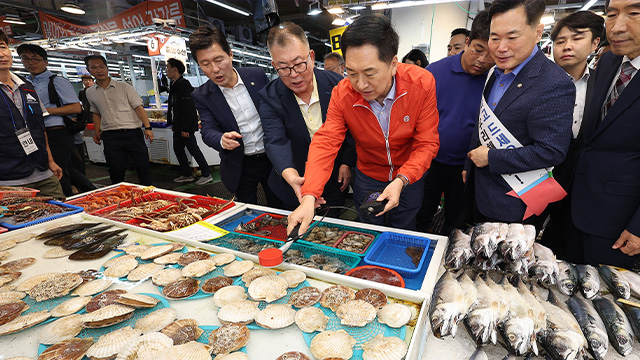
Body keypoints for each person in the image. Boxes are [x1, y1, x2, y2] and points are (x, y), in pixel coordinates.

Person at [287, 14, 440, 233]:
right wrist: (310, 195)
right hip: (368, 175)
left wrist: (401, 180)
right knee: (368, 230)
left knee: (404, 226)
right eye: (351, 73)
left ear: (393, 64)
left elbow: (427, 143)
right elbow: (326, 141)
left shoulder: (422, 83)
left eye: (370, 73)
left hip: (410, 174)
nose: (361, 84)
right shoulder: (343, 93)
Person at [464, 0, 575, 224]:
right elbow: (482, 124)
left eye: (512, 37)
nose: (501, 47)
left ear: (537, 32)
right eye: (494, 38)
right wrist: (469, 167)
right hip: (478, 190)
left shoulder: (554, 83)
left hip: (513, 203)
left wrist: (492, 158)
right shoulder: (496, 72)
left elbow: (551, 151)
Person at [259, 22, 356, 216]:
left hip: (333, 178)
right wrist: (291, 177)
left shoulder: (338, 85)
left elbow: (351, 128)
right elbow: (275, 140)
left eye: (299, 64)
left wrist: (347, 162)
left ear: (311, 57)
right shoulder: (269, 96)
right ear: (274, 65)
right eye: (283, 68)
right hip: (292, 184)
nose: (294, 75)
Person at [571, 0, 640, 268]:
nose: (617, 26)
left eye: (634, 13)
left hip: (621, 226)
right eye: (611, 14)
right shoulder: (610, 61)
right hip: (577, 208)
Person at [416, 10, 494, 235]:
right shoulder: (434, 72)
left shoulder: (494, 79)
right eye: (478, 50)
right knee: (421, 214)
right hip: (430, 162)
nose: (482, 60)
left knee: (457, 222)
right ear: (467, 43)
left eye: (490, 55)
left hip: (466, 166)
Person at [189, 25, 279, 205]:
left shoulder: (257, 75)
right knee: (246, 210)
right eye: (205, 64)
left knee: (280, 205)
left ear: (230, 54)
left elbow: (276, 110)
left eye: (219, 59)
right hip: (241, 164)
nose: (214, 69)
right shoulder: (202, 95)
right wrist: (222, 139)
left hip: (272, 159)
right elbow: (207, 130)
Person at [541, 10, 604, 256]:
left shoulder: (603, 84)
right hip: (540, 178)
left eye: (577, 38)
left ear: (595, 43)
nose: (567, 47)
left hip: (585, 183)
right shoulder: (540, 83)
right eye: (560, 41)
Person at [0, 30, 64, 198]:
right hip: (9, 181)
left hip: (43, 172)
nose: (1, 54)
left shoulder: (27, 87)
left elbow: (40, 128)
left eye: (2, 47)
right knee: (24, 223)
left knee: (63, 214)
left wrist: (50, 160)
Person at [17, 44, 84, 197]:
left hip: (57, 133)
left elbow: (76, 107)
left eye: (35, 59)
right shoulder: (25, 83)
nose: (30, 63)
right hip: (38, 134)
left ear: (45, 62)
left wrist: (44, 111)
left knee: (61, 172)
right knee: (53, 169)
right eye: (26, 59)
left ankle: (68, 203)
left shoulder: (56, 81)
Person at [84, 55, 154, 186]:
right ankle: (119, 196)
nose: (99, 70)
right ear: (88, 70)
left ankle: (149, 194)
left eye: (101, 67)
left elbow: (139, 108)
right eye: (94, 67)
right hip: (110, 136)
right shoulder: (90, 92)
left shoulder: (125, 87)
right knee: (116, 169)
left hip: (132, 133)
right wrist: (97, 131)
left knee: (142, 166)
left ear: (107, 68)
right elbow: (96, 112)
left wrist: (148, 128)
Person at [165, 58, 213, 186]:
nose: (166, 70)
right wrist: (174, 123)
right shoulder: (175, 85)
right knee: (178, 149)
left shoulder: (184, 86)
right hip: (178, 125)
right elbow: (176, 107)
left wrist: (186, 128)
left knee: (193, 149)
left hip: (185, 126)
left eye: (167, 67)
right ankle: (187, 174)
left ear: (175, 69)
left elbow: (189, 108)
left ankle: (206, 174)